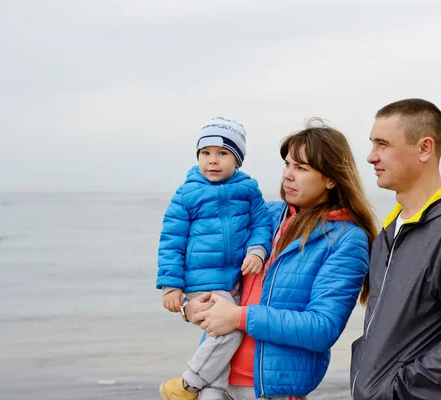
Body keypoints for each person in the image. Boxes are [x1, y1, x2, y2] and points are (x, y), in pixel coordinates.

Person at [168, 119, 378, 400]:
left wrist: (239, 317)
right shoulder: (265, 215)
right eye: (288, 164)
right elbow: (211, 265)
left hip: (268, 391)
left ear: (331, 178)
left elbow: (322, 328)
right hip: (215, 380)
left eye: (301, 168)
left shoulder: (347, 239)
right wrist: (189, 309)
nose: (288, 175)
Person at [350, 98, 441, 400]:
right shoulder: (390, 233)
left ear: (424, 148)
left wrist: (398, 392)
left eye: (383, 145)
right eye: (372, 144)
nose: (370, 157)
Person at [157, 117, 273, 400]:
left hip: (235, 281)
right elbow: (171, 242)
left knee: (219, 337)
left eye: (223, 154)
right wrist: (171, 286)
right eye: (205, 153)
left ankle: (213, 393)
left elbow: (262, 224)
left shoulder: (248, 190)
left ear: (238, 160)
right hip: (203, 282)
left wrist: (257, 249)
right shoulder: (187, 194)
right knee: (229, 332)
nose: (212, 160)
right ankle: (188, 385)